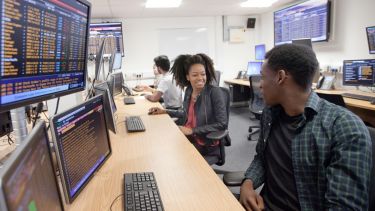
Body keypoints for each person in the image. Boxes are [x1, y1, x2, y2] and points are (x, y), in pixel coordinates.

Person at [240, 44, 372, 211]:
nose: (260, 85)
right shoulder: (270, 114)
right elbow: (262, 158)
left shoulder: (345, 128)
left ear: (280, 77)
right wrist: (248, 183)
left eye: (263, 77)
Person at [148, 53, 227, 163]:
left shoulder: (214, 92)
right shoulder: (189, 90)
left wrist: (192, 130)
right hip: (188, 137)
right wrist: (164, 111)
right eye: (195, 75)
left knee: (172, 158)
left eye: (203, 74)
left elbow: (222, 124)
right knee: (158, 144)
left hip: (205, 143)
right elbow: (186, 113)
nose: (200, 78)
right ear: (187, 77)